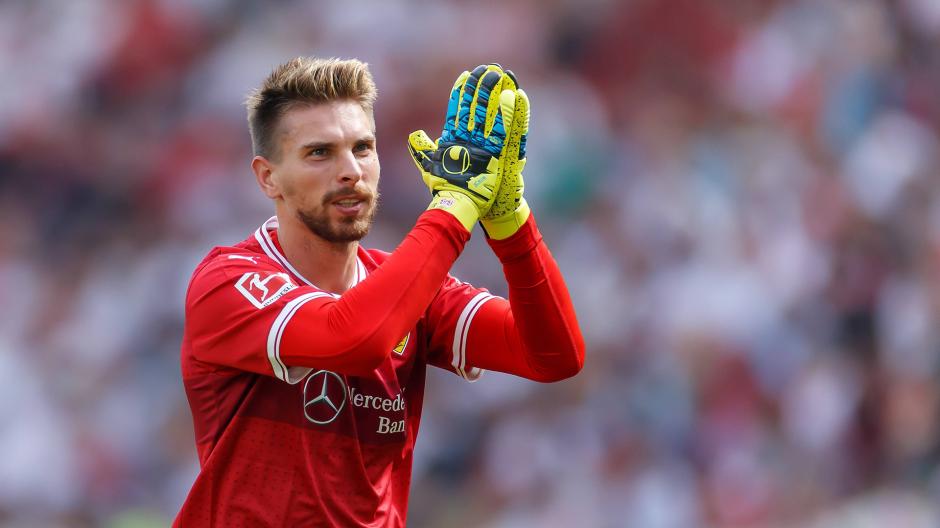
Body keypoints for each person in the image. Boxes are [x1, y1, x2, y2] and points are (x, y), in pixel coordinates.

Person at [174, 57, 584, 527]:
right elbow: (354, 339)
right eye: (319, 153)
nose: (350, 170)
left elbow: (554, 355)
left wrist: (510, 220)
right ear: (268, 177)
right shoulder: (228, 282)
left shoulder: (404, 286)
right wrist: (454, 206)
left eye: (362, 148)